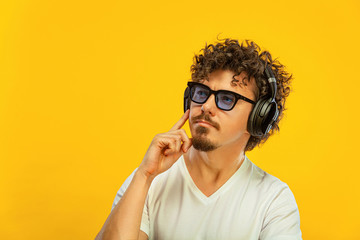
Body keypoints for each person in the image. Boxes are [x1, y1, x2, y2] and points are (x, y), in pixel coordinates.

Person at [95, 38, 302, 240]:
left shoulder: (274, 200)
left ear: (259, 118)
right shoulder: (147, 181)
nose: (206, 106)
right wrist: (144, 176)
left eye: (227, 98)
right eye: (202, 92)